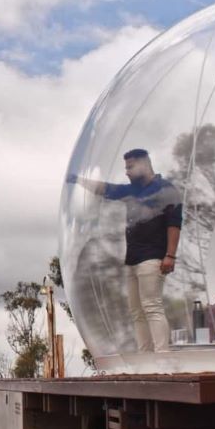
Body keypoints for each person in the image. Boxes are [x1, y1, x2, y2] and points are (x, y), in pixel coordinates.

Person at [67, 148, 182, 352]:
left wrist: (170, 255)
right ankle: (145, 354)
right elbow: (106, 189)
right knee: (137, 311)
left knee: (152, 306)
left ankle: (162, 354)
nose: (127, 172)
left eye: (130, 167)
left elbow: (174, 223)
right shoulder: (133, 191)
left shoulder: (165, 190)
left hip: (152, 257)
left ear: (144, 165)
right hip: (133, 259)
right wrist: (78, 180)